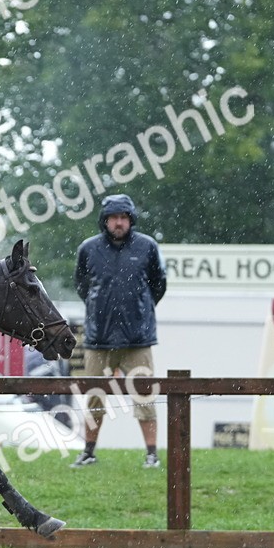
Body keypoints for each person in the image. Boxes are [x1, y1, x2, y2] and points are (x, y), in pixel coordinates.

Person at [71, 193, 166, 469]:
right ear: (105, 221)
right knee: (94, 398)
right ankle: (88, 452)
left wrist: (140, 310)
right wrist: (100, 310)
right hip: (98, 339)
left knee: (145, 395)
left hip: (138, 339)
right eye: (114, 217)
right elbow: (82, 286)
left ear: (131, 220)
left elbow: (158, 285)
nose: (119, 222)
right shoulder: (88, 249)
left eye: (124, 217)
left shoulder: (147, 247)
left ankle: (151, 454)